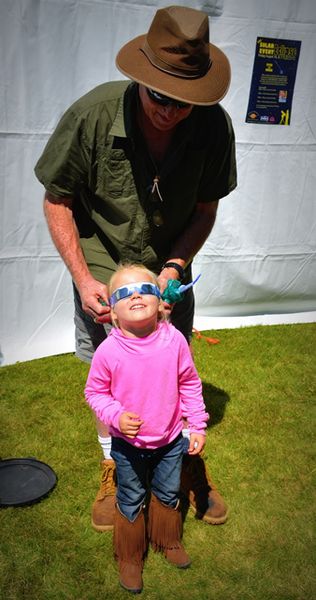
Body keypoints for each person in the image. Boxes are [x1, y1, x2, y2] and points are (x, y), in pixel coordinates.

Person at [34, 5, 237, 532]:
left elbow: (205, 211)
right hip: (101, 261)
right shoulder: (93, 114)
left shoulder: (214, 128)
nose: (169, 110)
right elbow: (56, 199)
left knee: (172, 366)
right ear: (140, 78)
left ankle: (186, 457)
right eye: (159, 96)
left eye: (184, 102)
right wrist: (83, 278)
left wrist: (174, 265)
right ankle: (114, 466)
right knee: (111, 375)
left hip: (170, 266)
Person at [85, 263, 209, 593]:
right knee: (131, 496)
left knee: (167, 493)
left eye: (145, 289)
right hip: (128, 446)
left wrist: (196, 424)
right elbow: (95, 393)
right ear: (112, 310)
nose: (136, 294)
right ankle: (130, 555)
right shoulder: (108, 351)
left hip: (170, 442)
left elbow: (190, 384)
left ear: (161, 300)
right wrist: (115, 415)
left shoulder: (176, 341)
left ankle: (166, 539)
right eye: (124, 292)